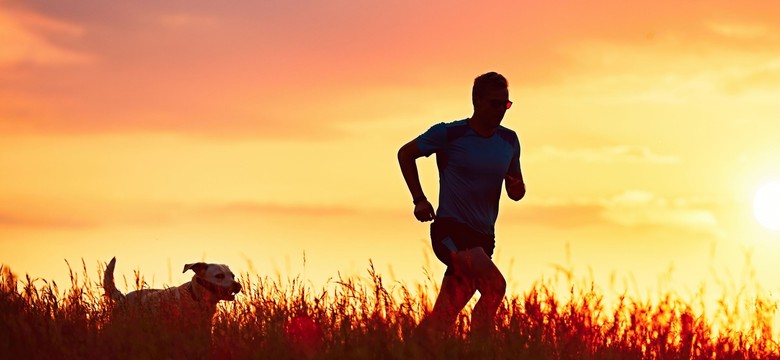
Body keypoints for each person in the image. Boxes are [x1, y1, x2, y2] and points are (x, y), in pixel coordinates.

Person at [397, 72, 526, 340]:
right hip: (451, 231)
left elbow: (516, 188)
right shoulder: (449, 133)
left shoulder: (510, 141)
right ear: (477, 101)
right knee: (494, 287)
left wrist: (516, 190)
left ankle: (401, 351)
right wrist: (419, 199)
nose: (501, 110)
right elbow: (406, 154)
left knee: (442, 318)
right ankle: (479, 350)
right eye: (495, 104)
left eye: (506, 104)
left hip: (484, 239)